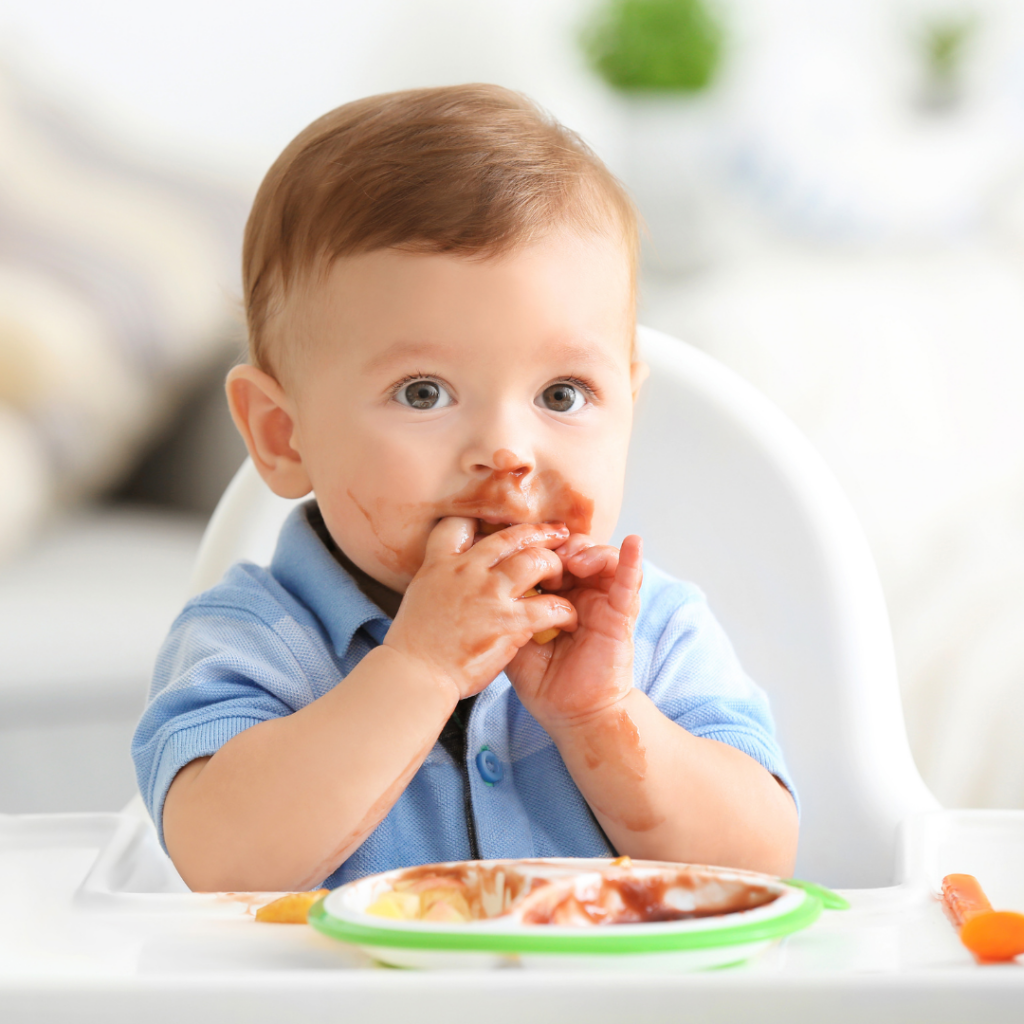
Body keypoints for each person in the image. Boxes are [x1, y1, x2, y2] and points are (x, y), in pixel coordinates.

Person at [132, 85, 798, 893]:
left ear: (628, 407)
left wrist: (604, 715)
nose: (507, 453)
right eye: (423, 393)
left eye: (561, 395)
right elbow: (220, 861)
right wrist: (418, 670)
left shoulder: (651, 636)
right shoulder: (257, 640)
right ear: (282, 434)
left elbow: (759, 866)